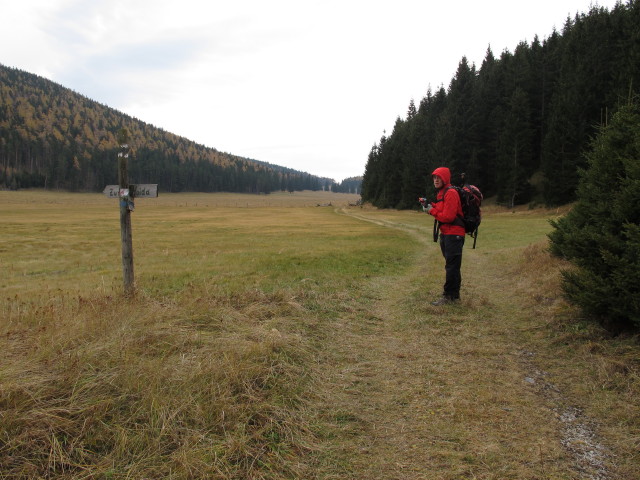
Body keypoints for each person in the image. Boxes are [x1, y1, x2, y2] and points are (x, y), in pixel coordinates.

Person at [424, 167, 465, 305]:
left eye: (439, 177)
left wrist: (431, 211)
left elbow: (448, 216)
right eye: (434, 177)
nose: (436, 180)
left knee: (451, 267)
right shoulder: (441, 193)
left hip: (454, 234)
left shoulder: (451, 192)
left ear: (445, 178)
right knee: (452, 265)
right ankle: (454, 296)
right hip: (447, 234)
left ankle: (449, 296)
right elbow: (442, 210)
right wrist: (430, 206)